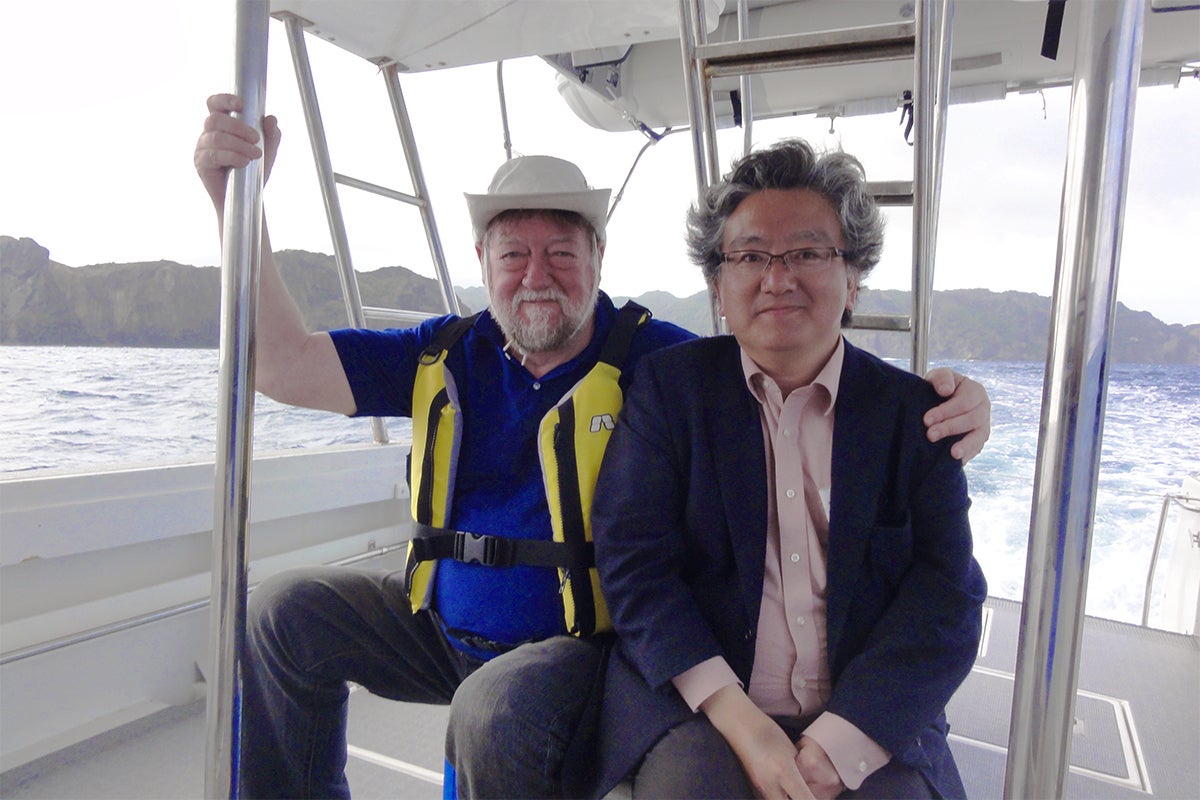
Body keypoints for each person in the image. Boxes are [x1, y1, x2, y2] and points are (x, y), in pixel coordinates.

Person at [194, 95, 990, 798]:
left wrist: (958, 407)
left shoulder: (660, 362)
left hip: (576, 647)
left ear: (598, 260)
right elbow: (282, 365)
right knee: (283, 614)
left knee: (492, 709)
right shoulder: (442, 353)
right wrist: (239, 205)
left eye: (562, 254)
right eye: (513, 254)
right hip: (438, 627)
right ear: (483, 265)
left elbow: (784, 358)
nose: (536, 275)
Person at [586, 139, 988, 800]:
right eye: (749, 257)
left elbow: (947, 591)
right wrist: (742, 722)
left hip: (869, 713)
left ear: (852, 279)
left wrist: (843, 743)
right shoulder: (668, 392)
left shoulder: (917, 416)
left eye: (807, 252)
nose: (777, 279)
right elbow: (634, 561)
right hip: (707, 709)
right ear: (719, 287)